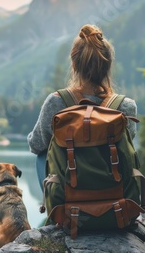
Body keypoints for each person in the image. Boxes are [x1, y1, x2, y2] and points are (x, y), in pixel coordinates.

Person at [27, 24, 138, 190]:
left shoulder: (55, 102)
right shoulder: (126, 106)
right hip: (115, 198)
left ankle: (56, 204)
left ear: (73, 64)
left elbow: (36, 145)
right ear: (107, 66)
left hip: (69, 195)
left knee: (43, 154)